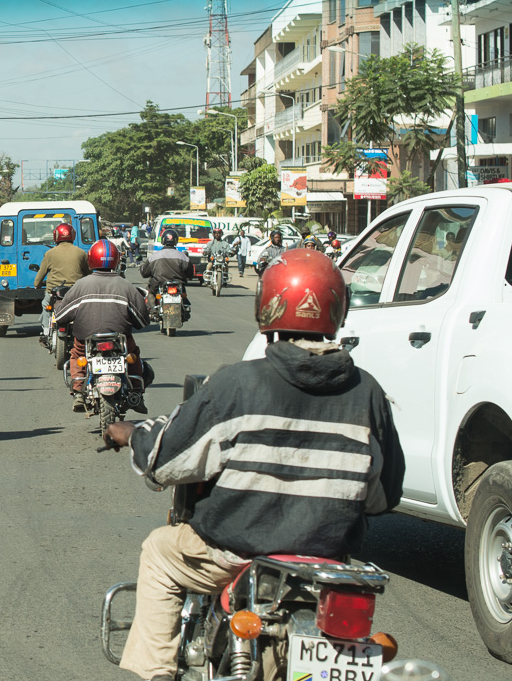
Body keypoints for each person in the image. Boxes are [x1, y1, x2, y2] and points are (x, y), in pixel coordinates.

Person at [103, 250, 405, 681]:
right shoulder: (369, 393)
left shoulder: (237, 383)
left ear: (267, 305)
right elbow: (382, 498)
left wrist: (134, 435)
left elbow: (164, 462)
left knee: (159, 550)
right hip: (328, 566)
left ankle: (158, 673)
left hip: (234, 555)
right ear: (338, 309)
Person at [54, 240, 149, 413]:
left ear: (91, 259)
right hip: (120, 340)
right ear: (116, 260)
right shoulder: (126, 286)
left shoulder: (81, 285)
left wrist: (58, 304)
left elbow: (61, 316)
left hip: (86, 339)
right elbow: (142, 321)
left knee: (77, 355)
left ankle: (78, 391)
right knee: (133, 354)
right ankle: (136, 391)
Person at [33, 222, 89, 345]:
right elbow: (88, 274)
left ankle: (46, 332)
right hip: (76, 291)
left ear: (56, 236)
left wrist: (37, 284)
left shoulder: (50, 253)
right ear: (73, 235)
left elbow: (41, 274)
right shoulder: (81, 253)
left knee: (46, 306)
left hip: (55, 292)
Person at [140, 228, 192, 296]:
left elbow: (145, 273)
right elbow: (190, 274)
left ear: (163, 240)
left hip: (157, 285)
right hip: (179, 286)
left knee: (150, 294)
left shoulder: (154, 256)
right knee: (185, 299)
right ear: (176, 240)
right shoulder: (183, 256)